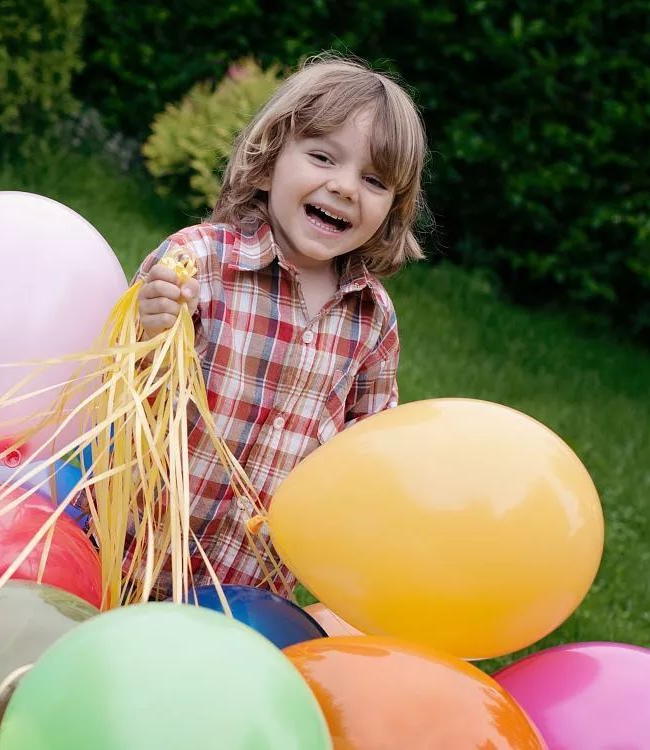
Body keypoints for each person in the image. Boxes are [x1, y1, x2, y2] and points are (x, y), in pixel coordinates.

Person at [135, 53, 430, 598]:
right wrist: (150, 325)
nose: (344, 188)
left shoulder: (372, 319)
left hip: (252, 586)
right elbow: (124, 386)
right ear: (269, 162)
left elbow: (369, 447)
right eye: (322, 157)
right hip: (139, 550)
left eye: (373, 180)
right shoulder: (198, 260)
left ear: (392, 208)